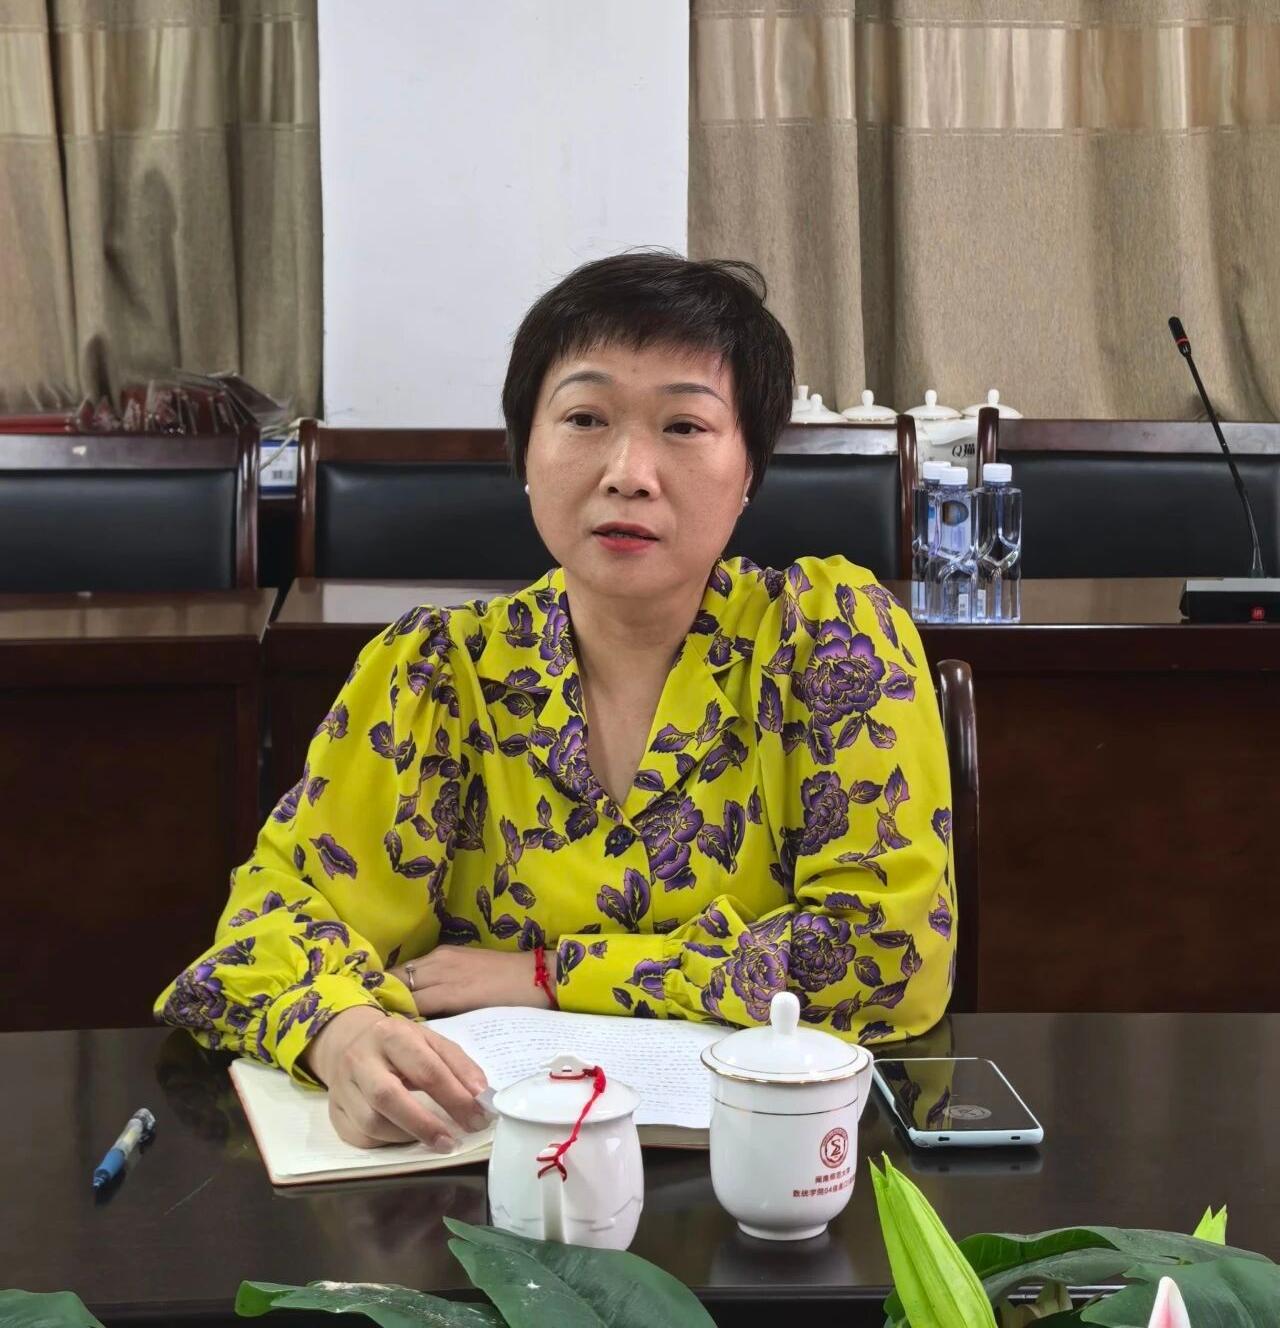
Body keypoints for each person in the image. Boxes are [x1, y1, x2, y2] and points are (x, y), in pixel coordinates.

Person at [157, 252, 955, 1151]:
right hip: (483, 1174)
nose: (629, 472)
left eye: (685, 426)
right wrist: (342, 1035)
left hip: (779, 1174)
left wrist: (547, 972)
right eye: (585, 418)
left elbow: (887, 959)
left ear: (749, 473)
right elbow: (269, 925)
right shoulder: (438, 673)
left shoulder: (830, 641)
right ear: (525, 454)